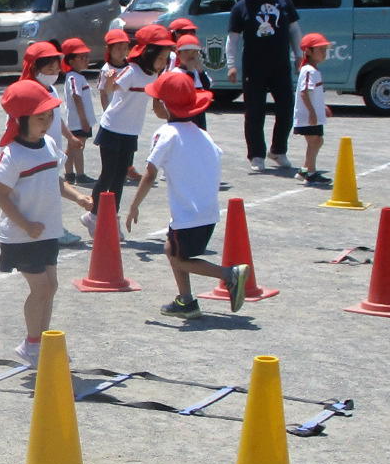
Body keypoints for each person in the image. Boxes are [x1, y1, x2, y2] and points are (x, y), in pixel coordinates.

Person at [125, 74, 249, 317]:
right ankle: (186, 301)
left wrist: (133, 206)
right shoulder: (202, 133)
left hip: (187, 213)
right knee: (172, 249)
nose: (153, 105)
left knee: (178, 258)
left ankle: (229, 275)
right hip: (207, 211)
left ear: (164, 105)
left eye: (155, 100)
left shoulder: (166, 133)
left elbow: (149, 173)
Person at [0, 79, 94, 366]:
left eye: (49, 116)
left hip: (47, 232)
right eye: (40, 117)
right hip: (20, 236)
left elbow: (56, 181)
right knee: (41, 288)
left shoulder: (48, 144)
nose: (47, 122)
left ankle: (41, 340)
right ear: (21, 120)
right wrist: (25, 224)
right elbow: (1, 196)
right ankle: (31, 344)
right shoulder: (13, 154)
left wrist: (78, 197)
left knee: (51, 285)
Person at [225, 0, 301, 172]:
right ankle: (256, 154)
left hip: (280, 65)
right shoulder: (241, 7)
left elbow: (294, 30)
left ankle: (278, 150)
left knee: (286, 107)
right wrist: (232, 65)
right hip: (254, 67)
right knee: (255, 111)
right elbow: (232, 40)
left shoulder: (283, 0)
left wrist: (299, 55)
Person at [91, 24, 172, 214]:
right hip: (112, 128)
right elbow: (111, 89)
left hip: (131, 131)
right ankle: (93, 214)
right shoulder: (132, 71)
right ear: (148, 53)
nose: (162, 62)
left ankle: (112, 216)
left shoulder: (154, 75)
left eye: (166, 59)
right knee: (108, 175)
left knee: (120, 177)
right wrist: (110, 80)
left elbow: (158, 103)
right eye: (160, 58)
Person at [291, 33, 333, 186]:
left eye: (324, 50)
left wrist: (322, 107)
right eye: (320, 50)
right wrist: (312, 112)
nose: (324, 53)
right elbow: (304, 92)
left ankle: (306, 170)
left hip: (312, 114)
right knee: (315, 141)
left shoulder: (313, 70)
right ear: (308, 51)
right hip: (307, 116)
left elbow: (314, 94)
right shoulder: (309, 70)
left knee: (316, 141)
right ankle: (309, 172)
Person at [58, 38, 96, 185]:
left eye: (86, 56)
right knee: (78, 147)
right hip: (78, 121)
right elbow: (76, 96)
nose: (86, 60)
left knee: (73, 147)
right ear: (71, 60)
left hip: (79, 120)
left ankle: (69, 174)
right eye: (81, 57)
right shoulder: (74, 77)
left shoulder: (77, 76)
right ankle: (80, 175)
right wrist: (84, 119)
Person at [96, 29, 133, 113]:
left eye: (125, 48)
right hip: (113, 111)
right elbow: (103, 94)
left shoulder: (131, 66)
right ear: (109, 49)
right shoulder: (106, 69)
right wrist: (106, 112)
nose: (122, 52)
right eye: (118, 49)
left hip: (129, 109)